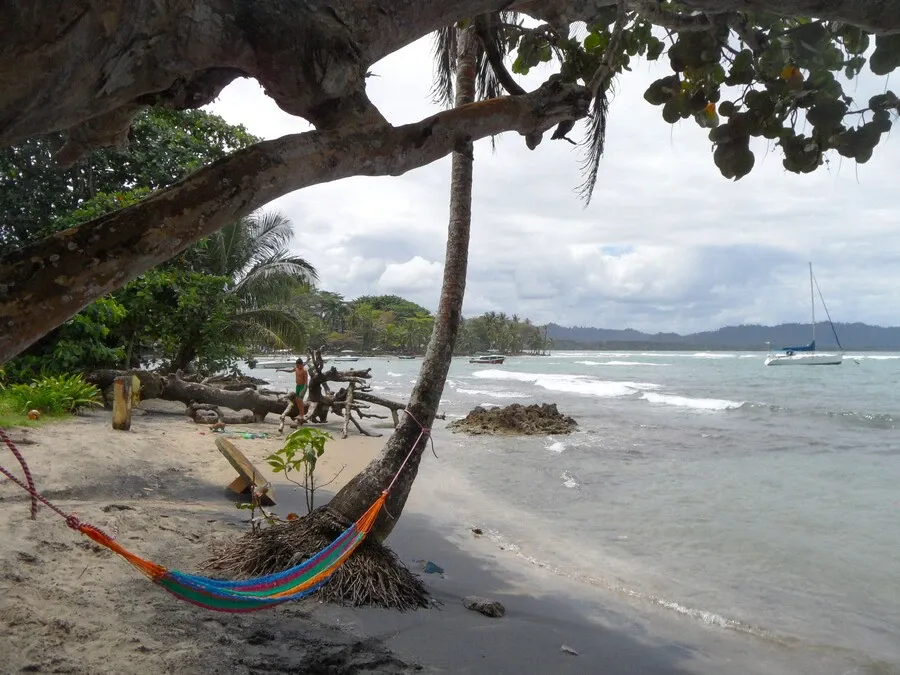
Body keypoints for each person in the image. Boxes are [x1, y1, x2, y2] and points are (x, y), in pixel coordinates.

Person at [277, 357, 308, 423]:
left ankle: (302, 415)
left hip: (303, 386)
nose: (297, 366)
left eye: (298, 365)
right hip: (298, 386)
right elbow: (290, 371)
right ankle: (300, 414)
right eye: (296, 365)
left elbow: (306, 382)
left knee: (300, 400)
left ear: (301, 364)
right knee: (297, 400)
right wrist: (281, 370)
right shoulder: (296, 368)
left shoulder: (304, 371)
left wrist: (304, 389)